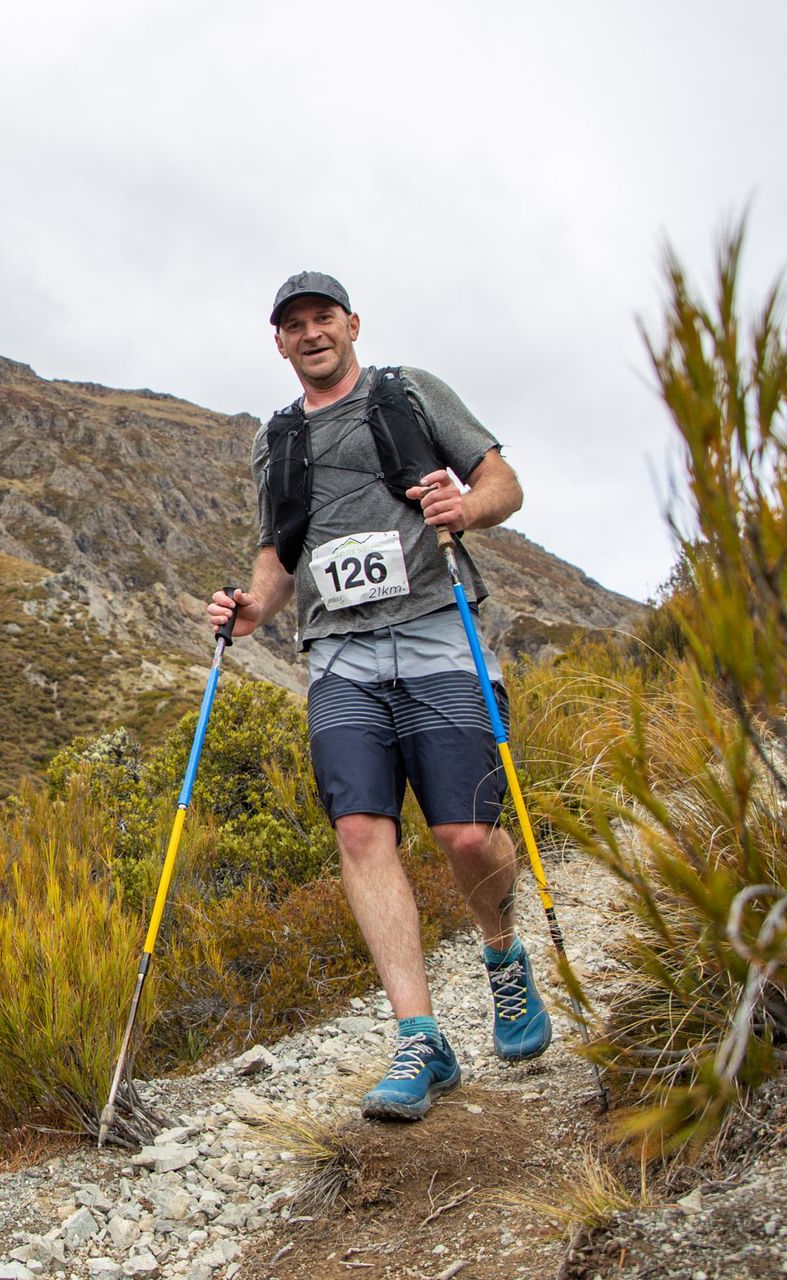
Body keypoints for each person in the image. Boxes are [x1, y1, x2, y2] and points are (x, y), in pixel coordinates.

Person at [205, 270, 552, 1122]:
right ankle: (419, 1038)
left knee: (467, 834)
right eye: (294, 324)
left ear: (352, 323)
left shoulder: (410, 394)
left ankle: (504, 959)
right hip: (340, 659)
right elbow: (280, 556)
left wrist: (465, 508)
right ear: (278, 343)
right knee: (362, 830)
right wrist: (252, 610)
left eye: (324, 317)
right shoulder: (275, 441)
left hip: (440, 636)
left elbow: (503, 484)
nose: (312, 333)